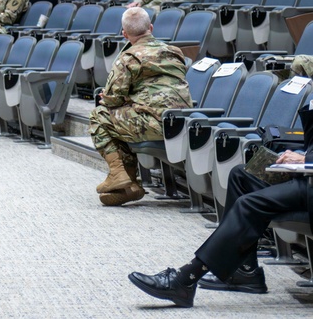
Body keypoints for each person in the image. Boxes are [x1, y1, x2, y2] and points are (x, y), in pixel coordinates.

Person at [128, 92, 313, 307]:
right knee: (241, 175)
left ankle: (185, 279)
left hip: (309, 183)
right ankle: (245, 270)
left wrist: (305, 159)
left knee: (249, 204)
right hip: (306, 176)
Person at [89, 7, 192, 206]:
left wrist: (111, 98)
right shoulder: (175, 52)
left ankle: (120, 175)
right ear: (151, 27)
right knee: (122, 118)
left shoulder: (129, 57)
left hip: (152, 124)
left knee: (100, 115)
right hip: (181, 123)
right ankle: (129, 185)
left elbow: (112, 99)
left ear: (124, 34)